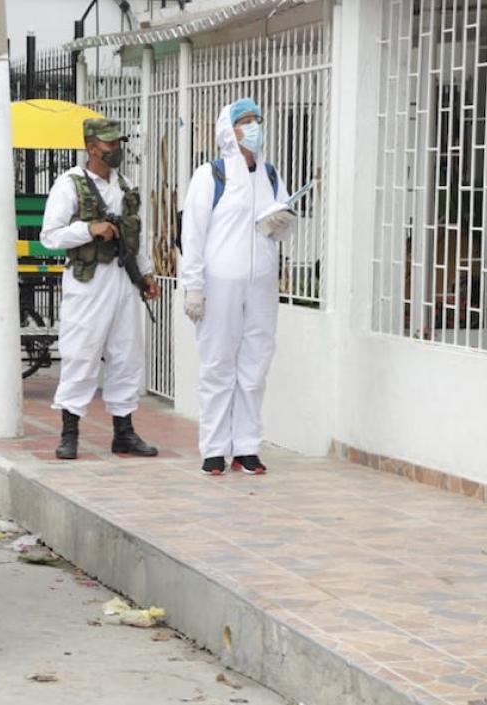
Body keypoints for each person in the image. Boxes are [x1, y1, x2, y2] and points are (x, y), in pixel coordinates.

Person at [179, 98, 295, 477]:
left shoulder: (271, 174)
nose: (253, 127)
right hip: (220, 283)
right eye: (245, 121)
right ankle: (214, 448)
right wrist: (192, 286)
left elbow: (280, 223)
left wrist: (280, 224)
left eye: (257, 120)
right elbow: (192, 235)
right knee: (217, 365)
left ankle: (246, 447)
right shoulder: (210, 176)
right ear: (228, 129)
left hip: (260, 283)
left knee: (255, 363)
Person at [39, 118, 161, 460]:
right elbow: (49, 236)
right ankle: (69, 433)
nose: (116, 150)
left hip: (123, 278)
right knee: (82, 352)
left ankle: (124, 432)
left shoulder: (125, 185)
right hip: (88, 280)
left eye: (118, 144)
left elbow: (138, 235)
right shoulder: (69, 185)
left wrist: (147, 274)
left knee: (127, 354)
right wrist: (90, 229)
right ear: (91, 147)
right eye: (109, 145)